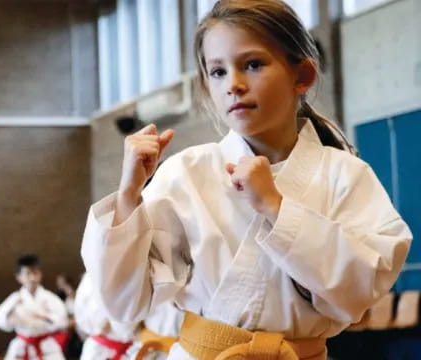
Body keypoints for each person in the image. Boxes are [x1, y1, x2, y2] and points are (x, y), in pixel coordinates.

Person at [81, 0, 412, 359]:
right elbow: (125, 305)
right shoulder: (185, 174)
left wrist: (276, 207)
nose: (234, 85)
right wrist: (130, 196)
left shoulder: (346, 174)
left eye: (252, 65)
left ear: (301, 76)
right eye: (218, 72)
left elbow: (358, 293)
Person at [0, 255, 68, 360]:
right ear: (19, 277)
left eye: (35, 273)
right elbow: (2, 321)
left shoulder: (50, 298)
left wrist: (45, 316)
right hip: (22, 346)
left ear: (40, 274)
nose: (32, 277)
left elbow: (63, 322)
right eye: (28, 273)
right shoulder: (14, 299)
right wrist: (11, 310)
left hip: (46, 347)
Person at [74, 273, 137, 360]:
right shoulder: (92, 277)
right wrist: (102, 320)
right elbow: (88, 319)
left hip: (134, 346)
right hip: (103, 346)